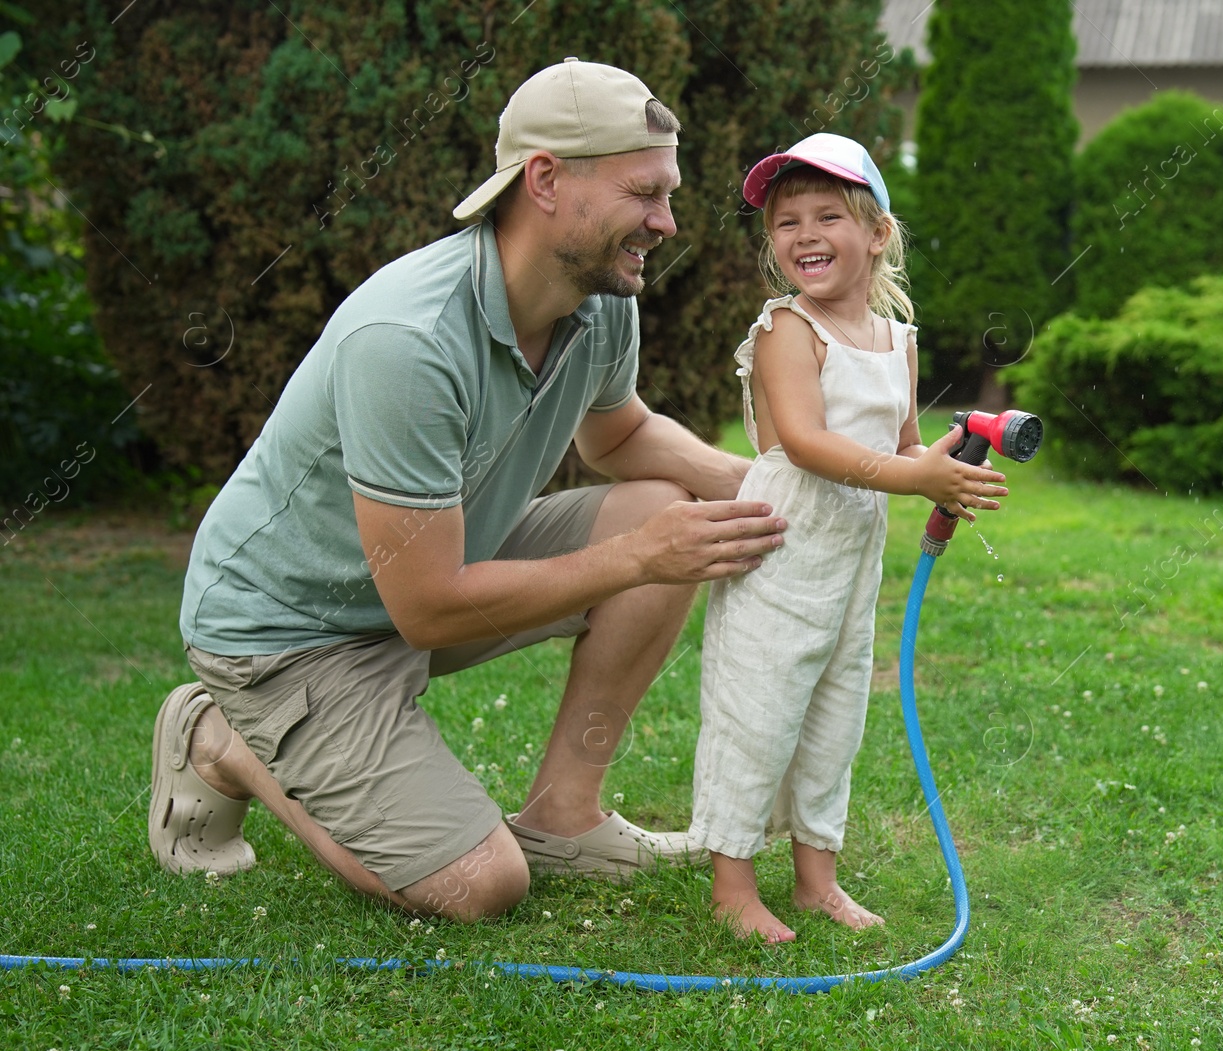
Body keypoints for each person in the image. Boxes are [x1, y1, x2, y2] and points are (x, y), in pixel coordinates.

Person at [148, 58, 788, 922]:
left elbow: (621, 435)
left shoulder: (601, 298)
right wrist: (638, 557)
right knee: (479, 886)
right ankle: (223, 740)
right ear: (547, 180)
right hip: (290, 636)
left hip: (429, 581)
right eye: (645, 193)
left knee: (666, 504)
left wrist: (775, 485)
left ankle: (566, 815)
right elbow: (431, 609)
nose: (667, 222)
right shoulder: (407, 339)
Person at [686, 134, 1007, 943]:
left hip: (851, 560)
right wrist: (912, 478)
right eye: (786, 221)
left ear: (878, 233)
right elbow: (805, 442)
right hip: (781, 547)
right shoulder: (787, 329)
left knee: (834, 714)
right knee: (758, 710)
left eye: (828, 214)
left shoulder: (897, 339)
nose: (804, 233)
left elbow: (900, 444)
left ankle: (815, 878)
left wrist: (940, 471)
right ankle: (731, 883)